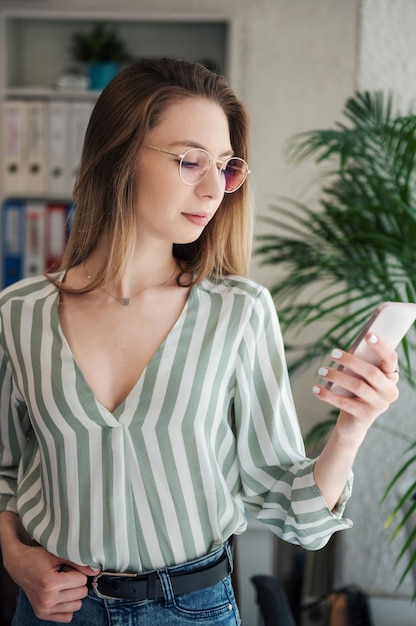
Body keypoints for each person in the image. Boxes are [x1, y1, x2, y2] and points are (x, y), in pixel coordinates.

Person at [0, 57, 400, 626]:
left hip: (194, 609)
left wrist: (353, 427)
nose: (215, 190)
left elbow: (294, 515)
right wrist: (18, 560)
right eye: (190, 162)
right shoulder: (19, 314)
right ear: (117, 158)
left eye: (226, 167)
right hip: (54, 610)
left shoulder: (239, 312)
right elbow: (6, 474)